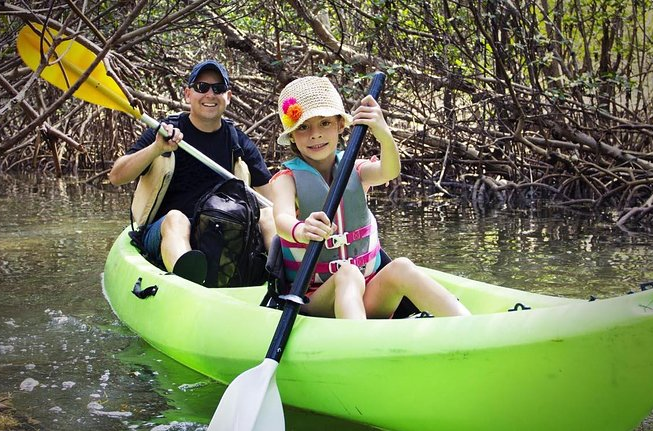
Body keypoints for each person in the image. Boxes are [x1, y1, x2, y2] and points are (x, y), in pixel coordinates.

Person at [270, 76, 471, 319]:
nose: (315, 135)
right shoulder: (286, 179)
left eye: (324, 123)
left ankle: (469, 325)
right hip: (315, 299)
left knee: (402, 267)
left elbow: (389, 171)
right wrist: (302, 230)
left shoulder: (355, 169)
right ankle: (359, 348)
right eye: (303, 127)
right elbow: (281, 219)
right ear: (291, 136)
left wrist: (384, 134)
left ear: (339, 126)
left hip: (367, 292)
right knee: (348, 274)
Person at [109, 60, 274, 284]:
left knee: (268, 216)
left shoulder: (239, 143)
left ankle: (284, 279)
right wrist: (156, 148)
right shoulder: (165, 132)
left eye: (218, 89)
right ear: (188, 94)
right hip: (166, 233)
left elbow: (273, 200)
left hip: (222, 232)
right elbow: (116, 176)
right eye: (201, 87)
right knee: (176, 219)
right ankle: (188, 283)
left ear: (228, 97)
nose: (209, 94)